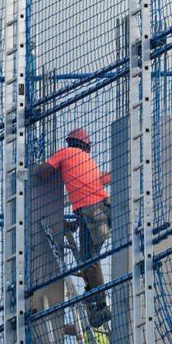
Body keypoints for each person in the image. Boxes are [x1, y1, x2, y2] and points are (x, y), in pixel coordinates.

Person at [37, 128, 111, 325]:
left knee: (90, 260)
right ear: (86, 146)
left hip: (92, 212)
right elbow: (88, 196)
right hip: (102, 210)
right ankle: (95, 300)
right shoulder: (89, 161)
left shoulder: (66, 153)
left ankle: (100, 305)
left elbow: (44, 172)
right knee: (89, 258)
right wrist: (74, 224)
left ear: (70, 142)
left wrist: (31, 168)